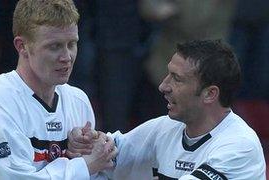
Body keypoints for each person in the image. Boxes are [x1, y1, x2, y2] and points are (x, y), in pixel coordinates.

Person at [0, 0, 117, 179]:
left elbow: (94, 171)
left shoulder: (78, 100)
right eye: (54, 46)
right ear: (22, 46)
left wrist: (95, 148)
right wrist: (84, 165)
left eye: (72, 44)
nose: (67, 57)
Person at [68, 40, 267, 179]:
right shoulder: (167, 127)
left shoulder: (240, 146)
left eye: (177, 79)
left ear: (210, 94)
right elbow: (111, 152)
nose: (163, 86)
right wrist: (86, 142)